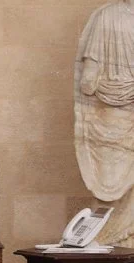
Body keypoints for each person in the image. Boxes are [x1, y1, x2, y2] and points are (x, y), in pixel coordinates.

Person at [74, 0, 134, 247]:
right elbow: (88, 80)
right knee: (110, 179)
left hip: (117, 110)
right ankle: (113, 237)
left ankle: (126, 235)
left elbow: (89, 78)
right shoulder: (106, 16)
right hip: (113, 113)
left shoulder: (107, 16)